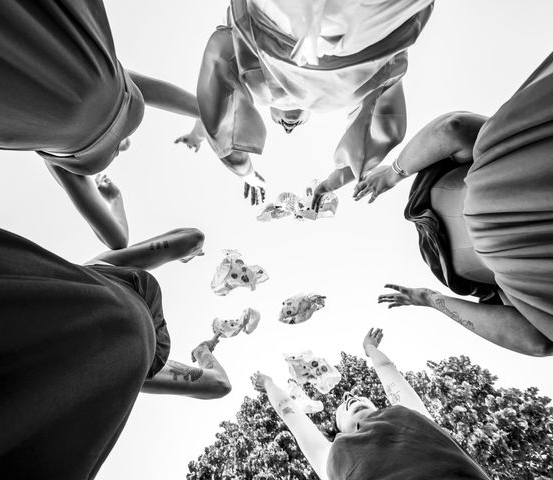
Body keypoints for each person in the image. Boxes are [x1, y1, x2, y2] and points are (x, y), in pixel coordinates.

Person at [0, 196, 229, 479]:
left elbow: (188, 240)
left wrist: (118, 202)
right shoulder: (131, 358)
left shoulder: (97, 277)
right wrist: (204, 349)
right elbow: (218, 384)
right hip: (72, 387)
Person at [0, 0, 199, 249]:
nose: (124, 146)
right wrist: (199, 131)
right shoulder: (112, 96)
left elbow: (117, 240)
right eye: (126, 143)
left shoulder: (63, 158)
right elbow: (196, 106)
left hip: (52, 81)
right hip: (72, 53)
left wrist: (116, 199)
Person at [355, 52, 553, 356]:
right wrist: (393, 173)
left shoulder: (515, 286)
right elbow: (452, 128)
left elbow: (537, 342)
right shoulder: (501, 152)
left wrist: (430, 299)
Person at [175, 0, 434, 205]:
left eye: (283, 125)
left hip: (280, 27)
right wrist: (341, 175)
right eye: (295, 126)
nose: (289, 126)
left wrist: (243, 168)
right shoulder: (341, 93)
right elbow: (384, 117)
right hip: (364, 36)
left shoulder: (255, 78)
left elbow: (219, 96)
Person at [251, 329, 490, 480]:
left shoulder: (407, 414)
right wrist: (270, 384)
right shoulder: (330, 456)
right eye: (342, 408)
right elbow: (291, 415)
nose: (349, 396)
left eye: (360, 398)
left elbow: (389, 373)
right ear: (339, 430)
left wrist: (370, 350)